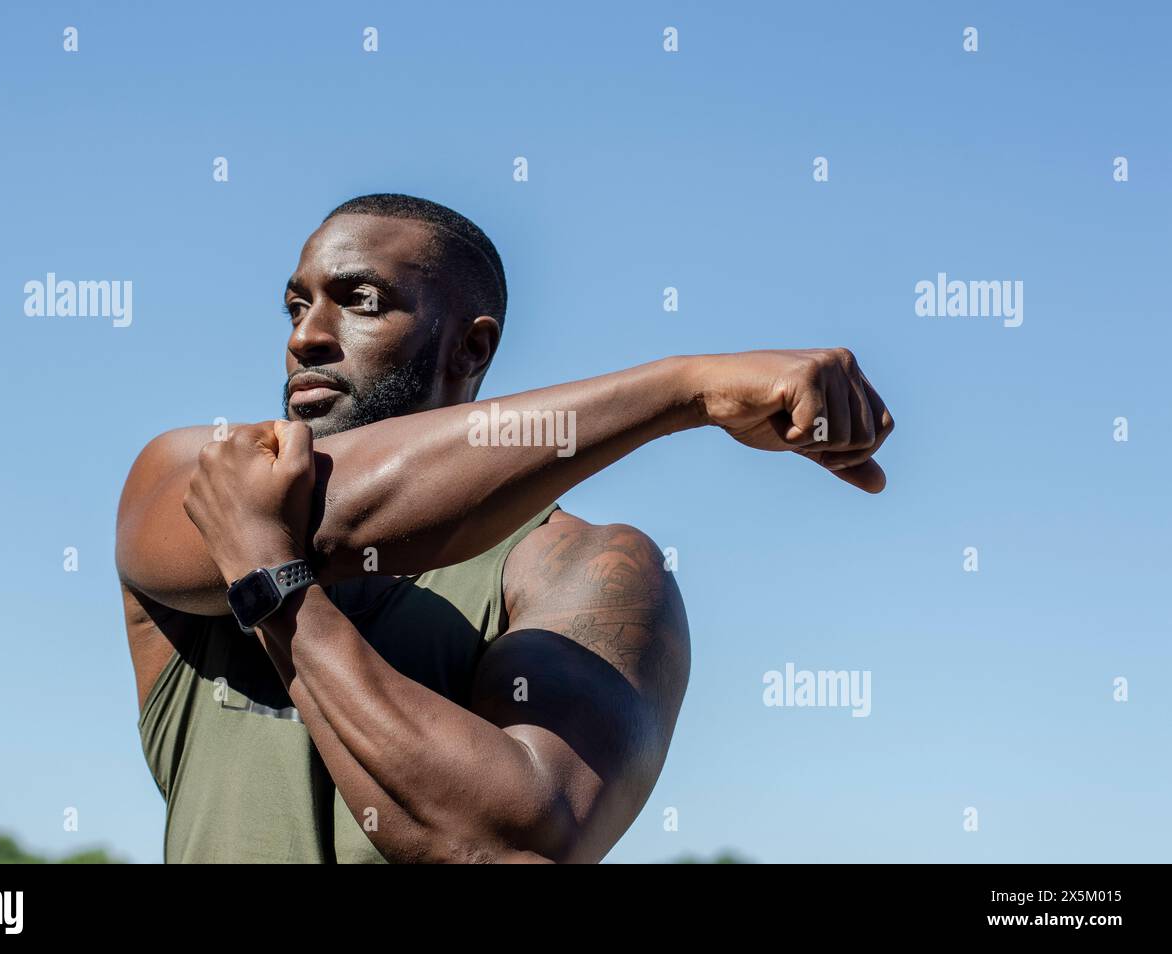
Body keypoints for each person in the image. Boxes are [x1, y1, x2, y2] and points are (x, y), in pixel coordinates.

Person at [115, 193, 894, 863]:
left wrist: (275, 588)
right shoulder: (188, 479)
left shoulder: (587, 565)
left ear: (473, 345)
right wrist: (685, 389)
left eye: (359, 301)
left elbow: (501, 843)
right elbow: (337, 509)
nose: (305, 337)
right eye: (296, 304)